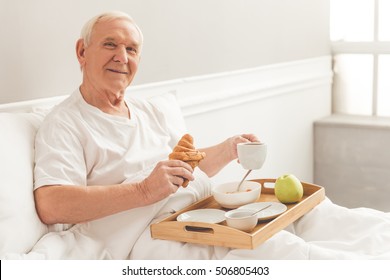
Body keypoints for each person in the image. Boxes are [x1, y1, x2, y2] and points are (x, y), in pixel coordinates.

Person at [32, 11, 390, 260]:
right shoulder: (65, 123)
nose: (122, 57)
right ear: (82, 51)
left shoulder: (149, 110)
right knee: (280, 253)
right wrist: (144, 191)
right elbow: (51, 204)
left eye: (131, 49)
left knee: (324, 220)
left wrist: (228, 149)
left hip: (202, 212)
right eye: (110, 45)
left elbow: (184, 168)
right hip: (153, 237)